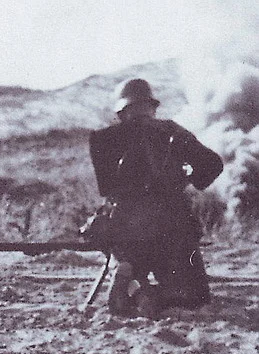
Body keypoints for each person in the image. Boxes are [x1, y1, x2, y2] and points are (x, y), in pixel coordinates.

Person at [89, 78, 223, 317]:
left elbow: (106, 188)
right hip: (173, 231)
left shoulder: (104, 138)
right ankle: (153, 294)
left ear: (121, 111)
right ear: (152, 107)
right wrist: (189, 178)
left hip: (127, 231)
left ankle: (132, 283)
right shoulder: (172, 131)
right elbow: (213, 164)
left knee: (129, 263)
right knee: (195, 297)